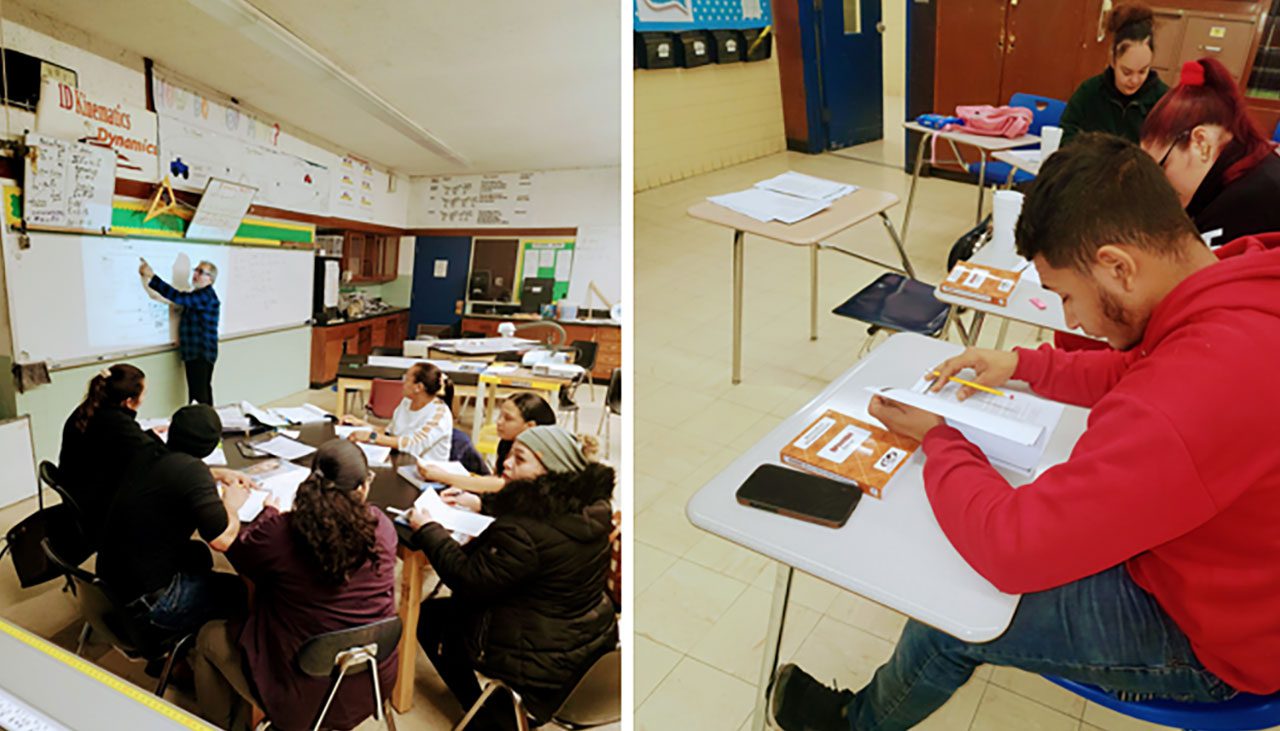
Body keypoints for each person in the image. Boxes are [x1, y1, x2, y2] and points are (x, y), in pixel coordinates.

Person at [768, 134, 1280, 730]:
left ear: (1118, 265)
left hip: (1216, 639)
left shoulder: (1188, 399)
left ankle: (853, 725)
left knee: (950, 617)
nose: (1070, 321)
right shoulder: (1238, 275)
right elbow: (1140, 368)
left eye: (1067, 295)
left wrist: (941, 439)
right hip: (1236, 570)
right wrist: (1022, 366)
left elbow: (1013, 549)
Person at [406, 425, 617, 728]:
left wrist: (429, 531)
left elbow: (468, 580)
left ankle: (491, 719)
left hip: (536, 656)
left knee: (431, 617)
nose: (506, 462)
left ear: (549, 470)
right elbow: (541, 517)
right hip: (587, 640)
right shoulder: (594, 508)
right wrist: (482, 503)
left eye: (520, 459)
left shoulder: (522, 531)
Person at [189, 440, 398, 731]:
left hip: (299, 695)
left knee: (209, 636)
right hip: (372, 682)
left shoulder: (283, 532)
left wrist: (268, 514)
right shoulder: (383, 528)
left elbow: (239, 553)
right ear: (362, 488)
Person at [97, 405, 256, 640]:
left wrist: (216, 474)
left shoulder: (147, 451)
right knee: (245, 591)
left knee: (198, 554)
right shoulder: (192, 472)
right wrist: (231, 504)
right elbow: (222, 539)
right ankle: (203, 652)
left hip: (110, 587)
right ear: (212, 445)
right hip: (150, 605)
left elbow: (175, 472)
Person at [1140, 58, 1280, 245]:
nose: (1156, 187)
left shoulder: (1249, 204)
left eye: (1161, 167)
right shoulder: (1243, 169)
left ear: (1201, 143)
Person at [57, 364, 163, 542]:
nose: (144, 398)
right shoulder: (117, 424)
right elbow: (154, 453)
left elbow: (123, 441)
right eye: (144, 393)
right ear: (128, 402)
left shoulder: (89, 410)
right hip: (99, 507)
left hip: (79, 494)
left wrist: (150, 434)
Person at [1060, 3, 1168, 145]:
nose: (1134, 80)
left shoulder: (1165, 102)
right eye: (1127, 72)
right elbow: (1066, 134)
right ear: (1112, 60)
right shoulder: (1090, 91)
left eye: (1143, 71)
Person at [417, 392, 556, 493]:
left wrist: (441, 475)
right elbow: (495, 478)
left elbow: (501, 485)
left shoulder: (539, 456)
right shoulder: (506, 443)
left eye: (508, 418)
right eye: (500, 415)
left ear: (530, 426)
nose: (499, 422)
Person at [138, 258, 221, 405]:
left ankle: (203, 425)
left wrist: (152, 276)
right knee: (199, 394)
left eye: (201, 272)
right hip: (194, 352)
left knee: (199, 396)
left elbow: (178, 297)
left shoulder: (205, 296)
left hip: (201, 353)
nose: (196, 273)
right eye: (196, 270)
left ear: (210, 279)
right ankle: (205, 424)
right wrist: (146, 278)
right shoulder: (196, 295)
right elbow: (163, 298)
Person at [342, 361, 454, 460]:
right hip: (401, 461)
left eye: (406, 379)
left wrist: (372, 437)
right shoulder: (407, 401)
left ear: (418, 387)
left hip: (425, 473)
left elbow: (413, 445)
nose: (402, 383)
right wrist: (362, 424)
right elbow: (391, 432)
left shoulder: (440, 415)